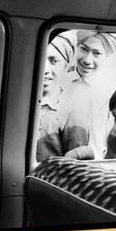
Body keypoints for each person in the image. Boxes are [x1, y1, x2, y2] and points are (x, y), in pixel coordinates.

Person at [36, 32, 93, 162]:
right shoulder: (18, 104)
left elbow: (77, 168)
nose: (45, 68)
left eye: (54, 61)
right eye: (40, 59)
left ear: (66, 65)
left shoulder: (72, 112)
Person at [64, 30, 116, 159]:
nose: (87, 60)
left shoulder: (112, 92)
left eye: (97, 53)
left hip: (97, 167)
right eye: (84, 49)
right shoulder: (59, 83)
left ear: (106, 57)